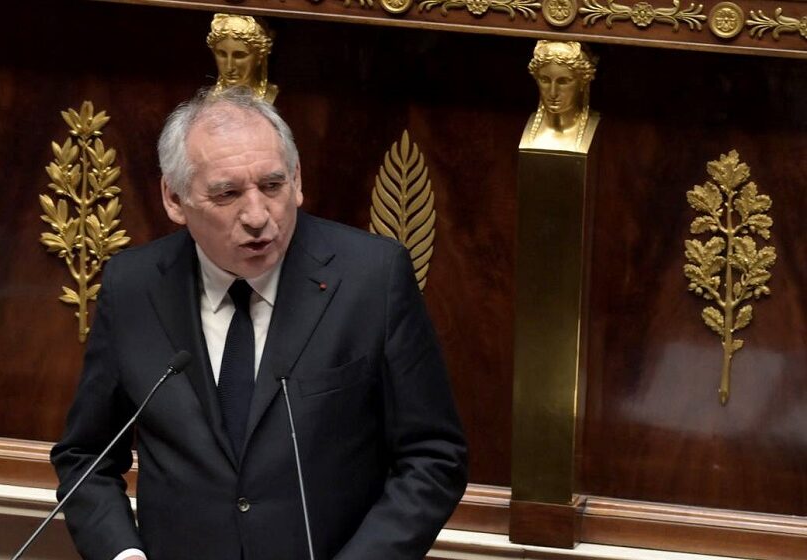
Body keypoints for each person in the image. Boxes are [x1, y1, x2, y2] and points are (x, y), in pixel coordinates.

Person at [51, 87, 467, 560]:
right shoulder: (133, 287)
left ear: (297, 179)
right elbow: (86, 456)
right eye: (227, 193)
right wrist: (122, 555)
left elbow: (433, 457)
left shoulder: (372, 278)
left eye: (272, 186)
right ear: (174, 198)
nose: (257, 217)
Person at [522, 40, 599, 152]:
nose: (553, 93)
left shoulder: (595, 127)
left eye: (563, 81)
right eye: (545, 80)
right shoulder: (524, 128)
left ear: (583, 82)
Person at [207, 14, 279, 103]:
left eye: (239, 55)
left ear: (260, 56)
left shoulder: (273, 95)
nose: (229, 67)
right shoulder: (209, 97)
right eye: (222, 54)